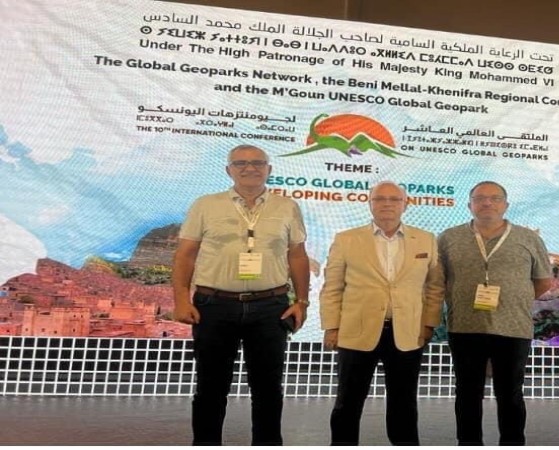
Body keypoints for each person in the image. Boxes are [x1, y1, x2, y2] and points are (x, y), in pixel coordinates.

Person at [172, 144, 310, 445]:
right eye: (241, 163)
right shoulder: (205, 205)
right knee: (210, 388)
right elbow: (185, 254)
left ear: (269, 170)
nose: (250, 168)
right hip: (214, 305)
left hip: (271, 306)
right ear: (228, 170)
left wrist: (302, 301)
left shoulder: (287, 207)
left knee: (268, 389)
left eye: (258, 163)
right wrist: (181, 299)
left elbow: (297, 255)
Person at [320, 181, 445, 445]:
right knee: (348, 402)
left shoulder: (426, 239)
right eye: (380, 199)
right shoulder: (346, 239)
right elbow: (332, 287)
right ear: (370, 204)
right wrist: (332, 327)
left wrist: (429, 324)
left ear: (405, 204)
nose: (387, 204)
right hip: (356, 331)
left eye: (394, 199)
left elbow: (435, 287)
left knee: (404, 403)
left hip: (407, 333)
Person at [438, 181, 553, 445]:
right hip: (465, 327)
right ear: (469, 205)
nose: (487, 203)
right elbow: (437, 280)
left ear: (506, 205)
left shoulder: (529, 238)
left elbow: (543, 281)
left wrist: (514, 299)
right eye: (480, 198)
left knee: (510, 394)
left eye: (495, 198)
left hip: (513, 327)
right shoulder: (448, 238)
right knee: (467, 393)